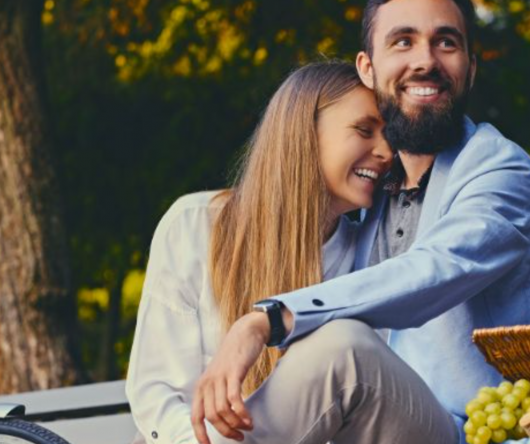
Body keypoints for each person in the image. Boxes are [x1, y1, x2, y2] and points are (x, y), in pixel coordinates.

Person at [189, 0, 530, 443]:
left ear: (470, 68)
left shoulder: (501, 171)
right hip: (361, 429)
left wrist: (268, 319)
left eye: (446, 42)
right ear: (367, 67)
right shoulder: (373, 191)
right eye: (403, 41)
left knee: (341, 348)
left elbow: (434, 270)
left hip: (465, 433)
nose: (425, 60)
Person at [125, 61, 392, 443]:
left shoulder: (368, 258)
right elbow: (158, 392)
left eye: (389, 135)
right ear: (303, 133)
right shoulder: (194, 226)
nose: (386, 151)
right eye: (364, 130)